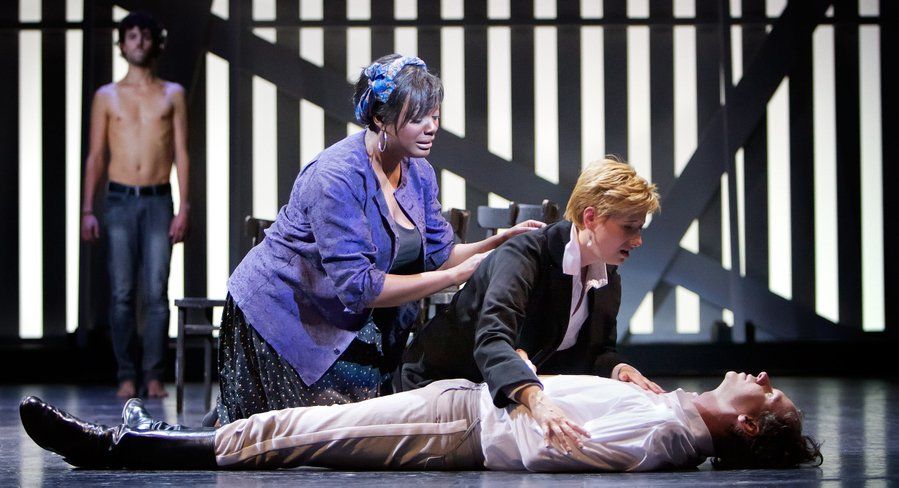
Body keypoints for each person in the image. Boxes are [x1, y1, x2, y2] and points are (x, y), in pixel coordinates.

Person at [215, 53, 541, 424]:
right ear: (379, 119)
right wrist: (455, 276)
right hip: (284, 316)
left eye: (435, 116)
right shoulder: (336, 177)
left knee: (353, 431)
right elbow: (359, 286)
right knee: (285, 435)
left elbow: (440, 254)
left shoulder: (418, 172)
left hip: (342, 320)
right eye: (418, 118)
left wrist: (498, 243)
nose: (431, 127)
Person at [19, 370, 822, 471]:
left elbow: (566, 450)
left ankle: (115, 448)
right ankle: (148, 437)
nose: (759, 379)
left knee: (298, 436)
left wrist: (530, 405)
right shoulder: (673, 412)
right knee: (299, 423)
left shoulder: (667, 435)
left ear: (749, 429)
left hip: (467, 425)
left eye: (769, 395)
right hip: (463, 406)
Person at [396, 158, 661, 446]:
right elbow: (492, 342)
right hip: (445, 385)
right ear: (590, 218)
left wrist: (619, 370)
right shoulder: (523, 256)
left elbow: (596, 351)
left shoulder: (606, 275)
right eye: (629, 227)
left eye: (640, 229)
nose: (638, 240)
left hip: (501, 394)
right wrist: (535, 398)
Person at [80, 11, 190, 400]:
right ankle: (127, 375)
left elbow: (182, 152)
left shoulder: (172, 93)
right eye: (131, 36)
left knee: (157, 293)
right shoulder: (107, 96)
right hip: (119, 200)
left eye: (145, 35)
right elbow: (96, 155)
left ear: (155, 43)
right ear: (122, 44)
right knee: (122, 293)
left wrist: (185, 207)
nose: (138, 41)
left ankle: (154, 375)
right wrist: (87, 210)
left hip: (159, 200)